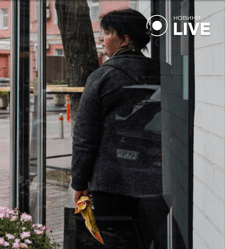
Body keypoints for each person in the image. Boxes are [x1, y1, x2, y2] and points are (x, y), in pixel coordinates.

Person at [71, 9, 169, 248]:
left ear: (124, 39)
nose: (101, 38)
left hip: (111, 184)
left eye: (106, 33)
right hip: (160, 181)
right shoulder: (166, 71)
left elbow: (85, 136)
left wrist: (79, 183)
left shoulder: (101, 77)